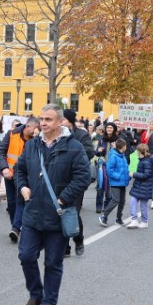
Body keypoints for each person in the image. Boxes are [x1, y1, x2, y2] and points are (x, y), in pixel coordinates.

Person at [15, 104, 90, 305]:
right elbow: (20, 169)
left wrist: (63, 197)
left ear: (60, 122)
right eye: (42, 119)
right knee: (26, 256)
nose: (43, 123)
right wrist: (22, 187)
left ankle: (49, 304)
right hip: (32, 213)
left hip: (58, 214)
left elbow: (83, 177)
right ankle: (36, 295)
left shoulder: (74, 147)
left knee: (53, 263)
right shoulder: (32, 146)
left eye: (48, 119)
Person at [0, 117, 39, 243]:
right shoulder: (11, 134)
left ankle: (16, 228)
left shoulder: (36, 139)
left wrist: (37, 138)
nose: (37, 131)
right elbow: (1, 152)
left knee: (21, 201)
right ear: (28, 126)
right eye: (36, 128)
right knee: (12, 203)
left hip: (25, 177)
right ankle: (15, 226)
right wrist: (4, 168)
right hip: (10, 174)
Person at [62, 109, 94, 256]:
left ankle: (78, 239)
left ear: (69, 120)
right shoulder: (56, 135)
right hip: (59, 179)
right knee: (60, 212)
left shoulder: (82, 135)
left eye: (62, 119)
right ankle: (64, 247)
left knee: (73, 212)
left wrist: (72, 156)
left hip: (76, 180)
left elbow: (89, 152)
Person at [99, 138, 130, 226]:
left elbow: (124, 168)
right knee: (116, 200)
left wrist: (127, 176)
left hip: (123, 182)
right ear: (123, 147)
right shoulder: (113, 156)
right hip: (115, 182)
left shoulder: (122, 155)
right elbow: (109, 170)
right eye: (125, 145)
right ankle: (104, 216)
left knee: (122, 201)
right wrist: (118, 176)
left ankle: (118, 218)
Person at [126, 144, 153, 229]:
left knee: (143, 205)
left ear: (139, 152)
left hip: (144, 186)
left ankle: (144, 221)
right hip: (140, 185)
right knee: (133, 201)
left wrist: (134, 174)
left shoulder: (146, 161)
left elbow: (146, 175)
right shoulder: (144, 160)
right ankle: (134, 220)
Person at [94, 122, 118, 213]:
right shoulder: (101, 140)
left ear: (114, 129)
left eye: (111, 128)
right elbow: (96, 153)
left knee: (109, 187)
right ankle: (98, 205)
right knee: (100, 186)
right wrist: (98, 151)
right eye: (107, 127)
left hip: (112, 167)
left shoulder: (117, 140)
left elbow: (122, 153)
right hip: (102, 166)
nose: (109, 129)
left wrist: (115, 148)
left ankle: (106, 205)